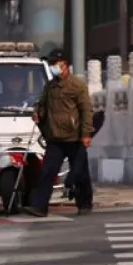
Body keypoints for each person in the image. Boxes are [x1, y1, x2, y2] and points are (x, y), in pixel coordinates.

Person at [22, 50, 94, 217]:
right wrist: (37, 112)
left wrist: (86, 134)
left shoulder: (77, 86)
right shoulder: (50, 85)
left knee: (80, 172)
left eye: (56, 63)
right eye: (51, 63)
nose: (53, 67)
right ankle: (40, 206)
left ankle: (84, 203)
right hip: (55, 138)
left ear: (65, 65)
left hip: (74, 137)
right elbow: (42, 104)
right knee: (47, 172)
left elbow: (87, 111)